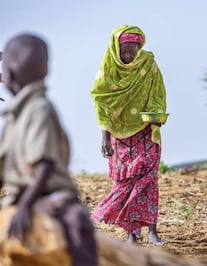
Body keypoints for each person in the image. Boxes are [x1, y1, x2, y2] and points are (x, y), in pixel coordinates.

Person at [0, 34, 97, 266]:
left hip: (48, 196)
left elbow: (44, 165)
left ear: (10, 74)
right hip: (17, 198)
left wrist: (24, 207)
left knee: (76, 224)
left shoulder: (38, 109)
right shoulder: (14, 115)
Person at [90, 25, 167, 245]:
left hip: (146, 130)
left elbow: (158, 94)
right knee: (126, 180)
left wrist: (155, 114)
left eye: (133, 51)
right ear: (116, 48)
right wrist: (104, 138)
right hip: (118, 135)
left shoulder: (148, 64)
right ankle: (132, 234)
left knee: (149, 178)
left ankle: (152, 232)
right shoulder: (108, 70)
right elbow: (101, 104)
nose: (128, 55)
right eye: (124, 51)